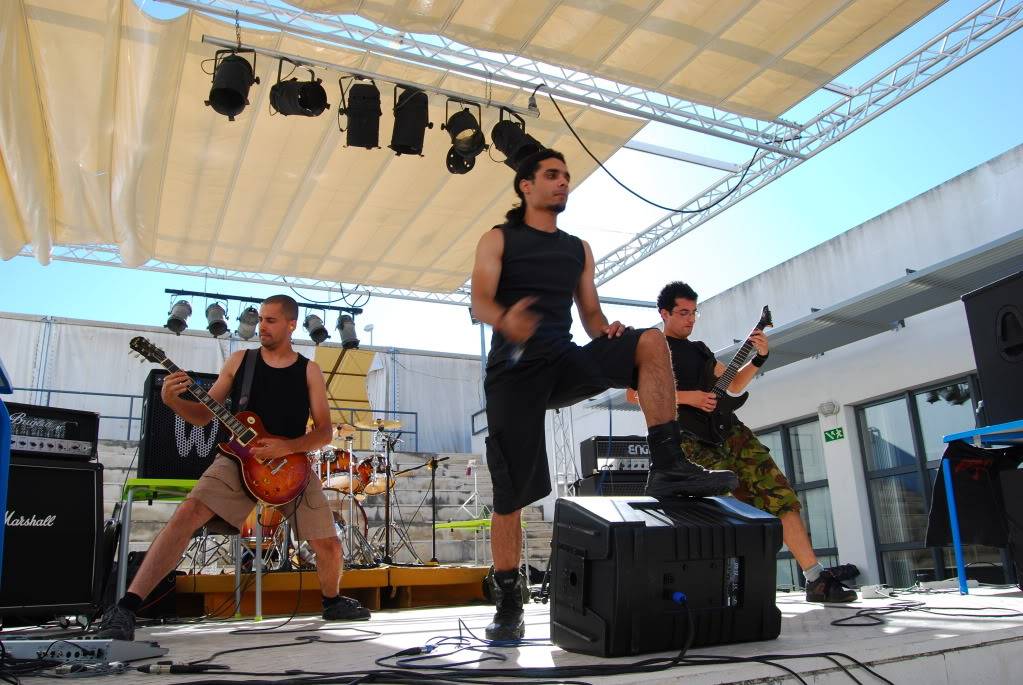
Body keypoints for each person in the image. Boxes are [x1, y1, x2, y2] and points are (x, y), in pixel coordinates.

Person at [470, 150, 738, 641]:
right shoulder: (499, 238)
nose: (562, 183)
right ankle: (509, 595)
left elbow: (590, 315)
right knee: (511, 496)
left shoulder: (578, 249)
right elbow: (480, 301)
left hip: (564, 360)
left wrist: (606, 330)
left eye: (567, 177)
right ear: (525, 186)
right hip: (513, 375)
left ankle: (668, 463)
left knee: (650, 341)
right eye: (552, 176)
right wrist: (510, 319)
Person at [97, 295, 370, 640]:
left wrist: (287, 445)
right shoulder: (241, 361)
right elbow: (202, 415)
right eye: (261, 320)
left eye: (271, 320)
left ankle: (331, 601)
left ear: (290, 325)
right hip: (236, 459)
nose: (262, 327)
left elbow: (324, 431)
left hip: (291, 465)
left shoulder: (308, 370)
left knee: (329, 545)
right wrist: (172, 400)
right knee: (187, 513)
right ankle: (126, 608)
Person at [652, 281, 856, 603]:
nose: (690, 319)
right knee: (720, 510)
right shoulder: (652, 348)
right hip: (690, 442)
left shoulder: (699, 349)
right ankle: (721, 589)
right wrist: (691, 397)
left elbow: (733, 384)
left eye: (694, 312)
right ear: (664, 313)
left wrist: (759, 358)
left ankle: (815, 579)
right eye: (682, 313)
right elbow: (636, 395)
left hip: (730, 431)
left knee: (781, 495)